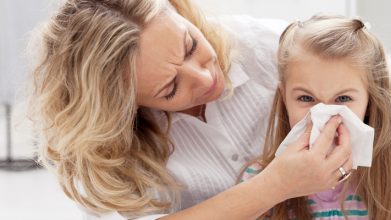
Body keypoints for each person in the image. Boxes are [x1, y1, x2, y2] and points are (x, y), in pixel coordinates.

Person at [29, 0, 352, 219]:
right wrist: (274, 186)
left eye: (191, 46)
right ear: (124, 108)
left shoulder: (269, 48)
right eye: (170, 89)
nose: (206, 77)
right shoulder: (102, 156)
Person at [238, 15, 391, 220]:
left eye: (343, 98)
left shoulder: (390, 184)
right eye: (306, 98)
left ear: (370, 101)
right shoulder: (259, 181)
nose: (325, 116)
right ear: (284, 98)